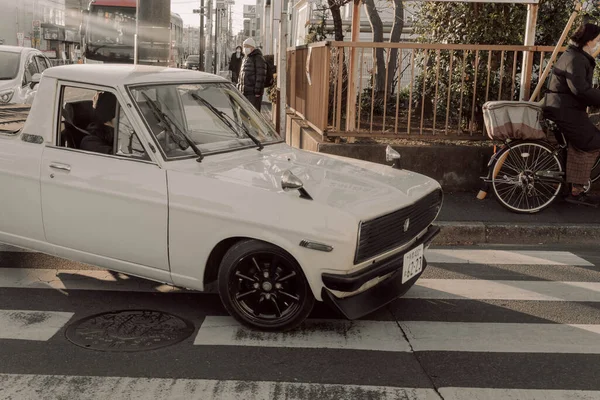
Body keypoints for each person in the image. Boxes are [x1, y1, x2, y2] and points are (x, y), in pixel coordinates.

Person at [543, 23, 600, 206]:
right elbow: (580, 90)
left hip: (562, 108)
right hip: (566, 111)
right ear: (589, 41)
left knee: (581, 140)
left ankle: (572, 186)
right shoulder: (576, 59)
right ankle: (576, 190)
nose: (599, 44)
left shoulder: (574, 55)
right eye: (598, 40)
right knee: (592, 142)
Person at [238, 38, 267, 112]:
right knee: (243, 114)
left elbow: (260, 76)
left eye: (247, 46)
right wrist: (238, 88)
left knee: (253, 115)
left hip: (252, 94)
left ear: (252, 47)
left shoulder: (258, 58)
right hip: (243, 92)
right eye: (244, 46)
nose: (245, 48)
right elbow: (241, 75)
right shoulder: (245, 58)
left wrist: (257, 92)